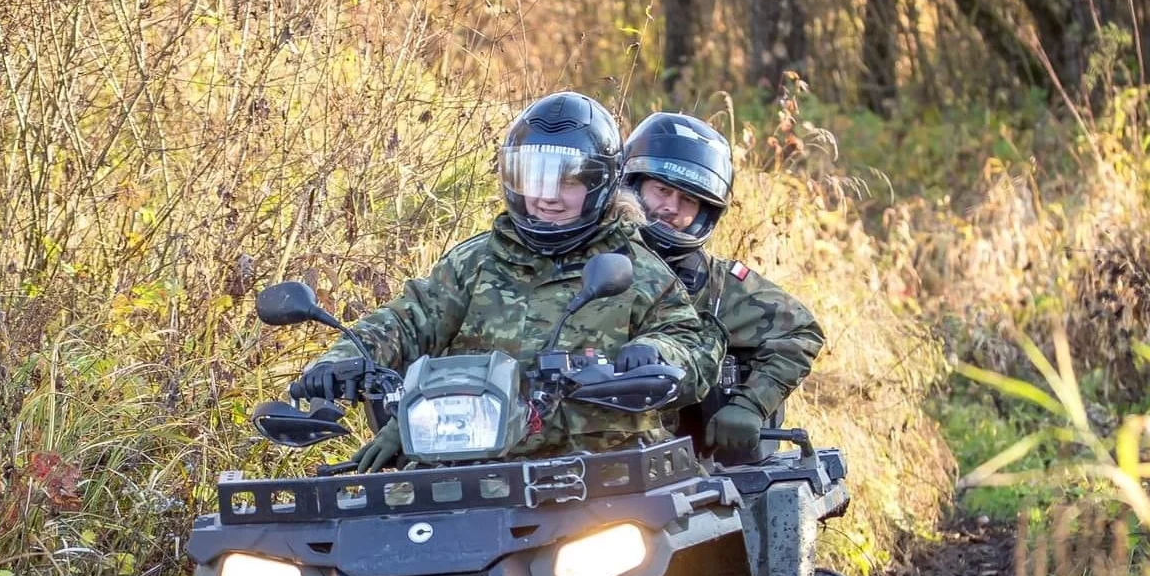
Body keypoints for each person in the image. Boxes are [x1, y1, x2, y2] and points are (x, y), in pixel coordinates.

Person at [290, 92, 722, 471]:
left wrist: (653, 354)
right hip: (470, 468)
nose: (547, 196)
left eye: (568, 182)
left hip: (603, 472)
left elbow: (693, 343)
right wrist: (343, 359)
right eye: (534, 178)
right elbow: (408, 318)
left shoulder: (637, 268)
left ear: (600, 183)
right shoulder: (475, 261)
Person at [622, 111, 824, 463]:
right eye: (662, 190)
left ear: (704, 211)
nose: (671, 207)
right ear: (634, 185)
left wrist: (750, 403)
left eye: (688, 200)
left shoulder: (718, 286)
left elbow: (801, 331)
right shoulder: (584, 256)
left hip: (676, 468)